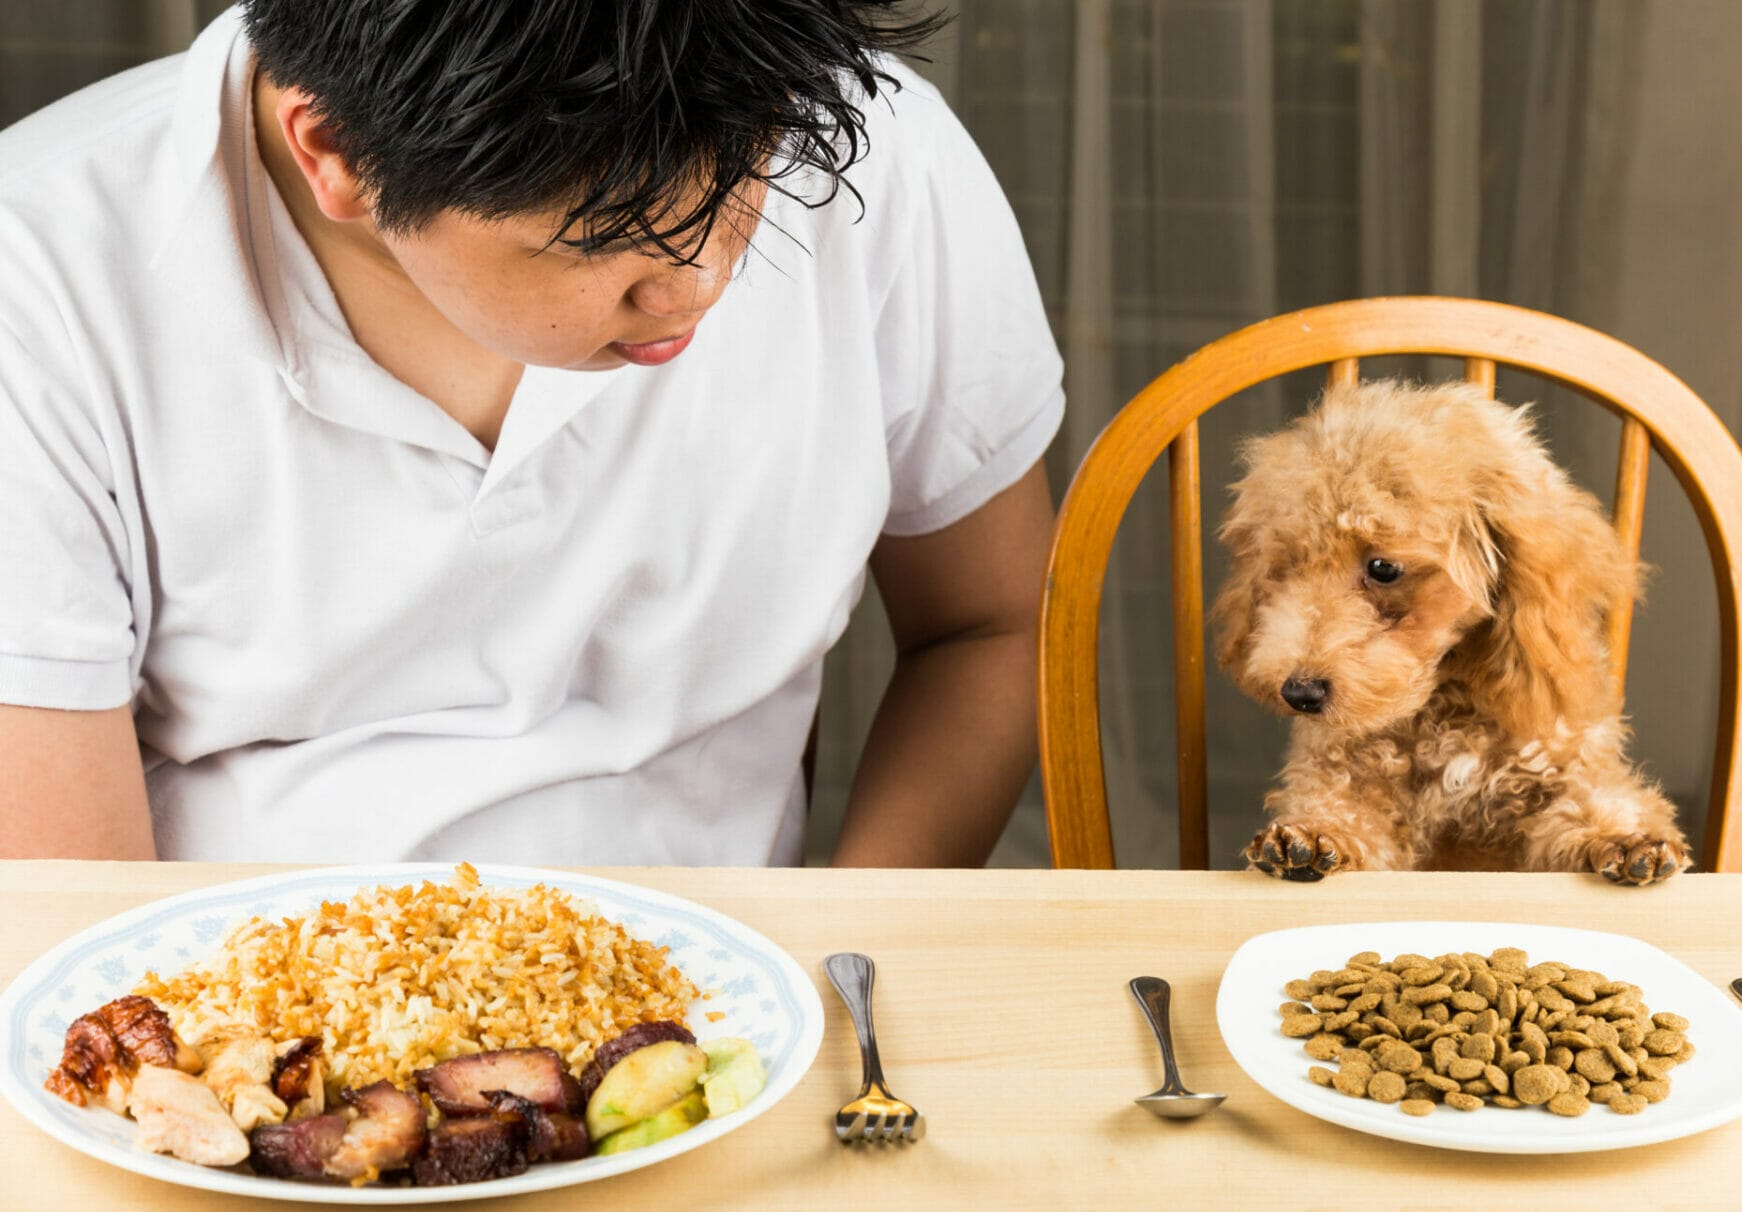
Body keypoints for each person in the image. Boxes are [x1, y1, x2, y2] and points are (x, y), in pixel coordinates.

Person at [0, 1, 1063, 868]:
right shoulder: (42, 279)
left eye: (745, 183)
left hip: (735, 1004)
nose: (700, 283)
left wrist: (843, 973)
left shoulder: (878, 155)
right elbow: (72, 935)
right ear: (334, 155)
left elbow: (988, 625)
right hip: (233, 1027)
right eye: (604, 238)